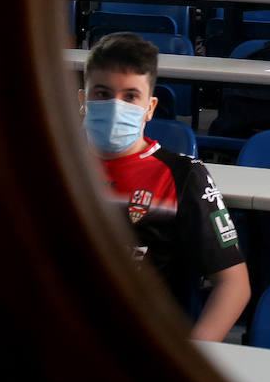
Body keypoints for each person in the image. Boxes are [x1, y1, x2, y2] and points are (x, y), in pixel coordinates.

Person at [80, 33, 250, 342]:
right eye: (102, 93)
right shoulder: (49, 162)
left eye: (131, 96)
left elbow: (234, 284)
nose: (115, 107)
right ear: (83, 100)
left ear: (150, 107)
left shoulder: (184, 175)